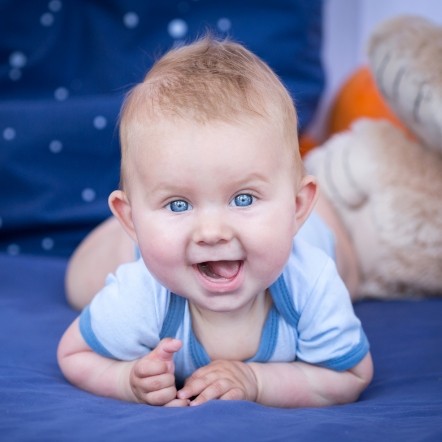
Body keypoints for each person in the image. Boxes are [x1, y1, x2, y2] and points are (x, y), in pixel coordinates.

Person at [57, 37, 373, 408]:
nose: (212, 233)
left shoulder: (312, 282)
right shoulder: (141, 295)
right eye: (178, 203)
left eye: (243, 198)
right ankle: (132, 233)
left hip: (315, 232)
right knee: (80, 283)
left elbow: (351, 375)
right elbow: (74, 354)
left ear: (297, 205)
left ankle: (320, 206)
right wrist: (126, 380)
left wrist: (255, 381)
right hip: (150, 247)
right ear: (129, 218)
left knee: (353, 274)